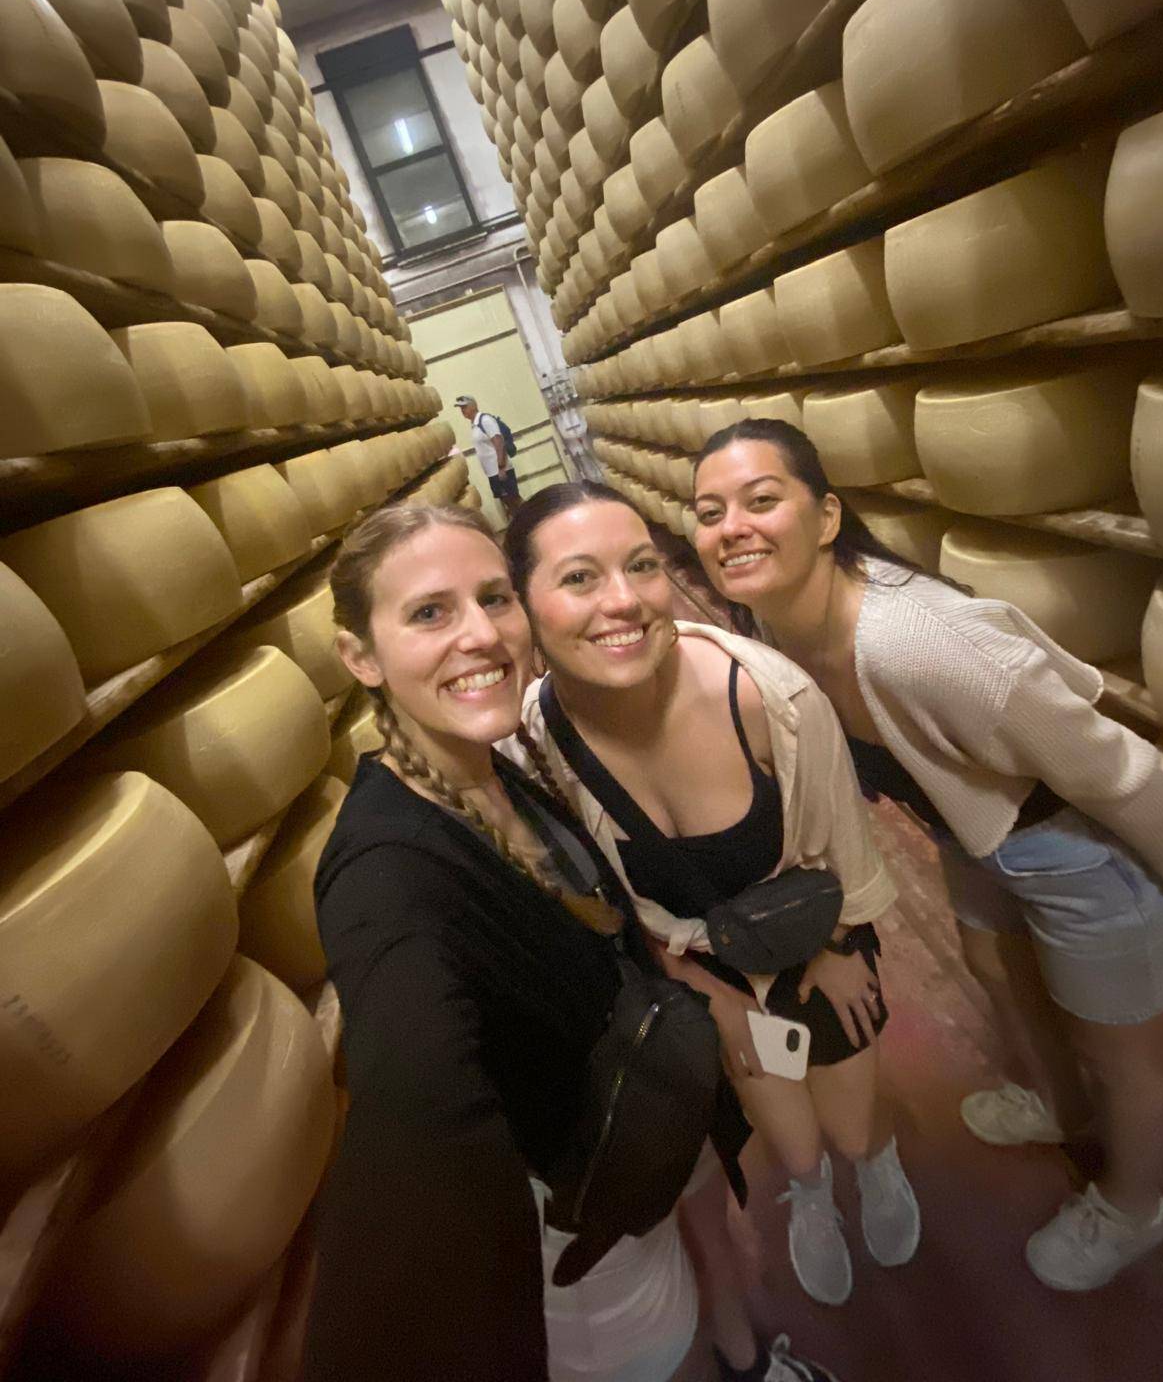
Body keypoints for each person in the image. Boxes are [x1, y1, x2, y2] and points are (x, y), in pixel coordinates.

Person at [302, 501, 838, 1382]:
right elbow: (420, 1120)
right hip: (590, 1219)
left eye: (495, 599)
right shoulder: (384, 873)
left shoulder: (493, 766)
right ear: (360, 655)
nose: (482, 635)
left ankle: (750, 1361)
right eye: (430, 613)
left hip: (649, 1121)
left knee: (720, 1289)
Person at [691, 417, 1163, 1292]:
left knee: (1128, 1057)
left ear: (826, 517)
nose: (730, 525)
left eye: (761, 500)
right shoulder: (773, 626)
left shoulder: (923, 641)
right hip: (977, 831)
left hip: (1078, 843)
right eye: (708, 511)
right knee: (997, 971)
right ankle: (1058, 1105)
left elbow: (1109, 769)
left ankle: (1134, 1207)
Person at [505, 482, 921, 1321]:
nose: (622, 601)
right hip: (707, 971)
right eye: (580, 579)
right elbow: (604, 897)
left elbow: (841, 838)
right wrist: (709, 994)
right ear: (523, 607)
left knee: (847, 1128)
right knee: (796, 1146)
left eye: (642, 567)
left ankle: (877, 1164)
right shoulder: (535, 741)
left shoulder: (771, 697)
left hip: (817, 936)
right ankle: (810, 1196)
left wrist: (839, 945)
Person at [456, 393, 522, 517]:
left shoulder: (485, 420)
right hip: (493, 472)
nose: (462, 411)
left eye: (465, 407)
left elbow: (499, 441)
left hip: (500, 470)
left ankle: (532, 524)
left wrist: (501, 467)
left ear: (474, 406)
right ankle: (523, 528)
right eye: (461, 408)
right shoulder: (475, 424)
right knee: (509, 502)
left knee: (514, 501)